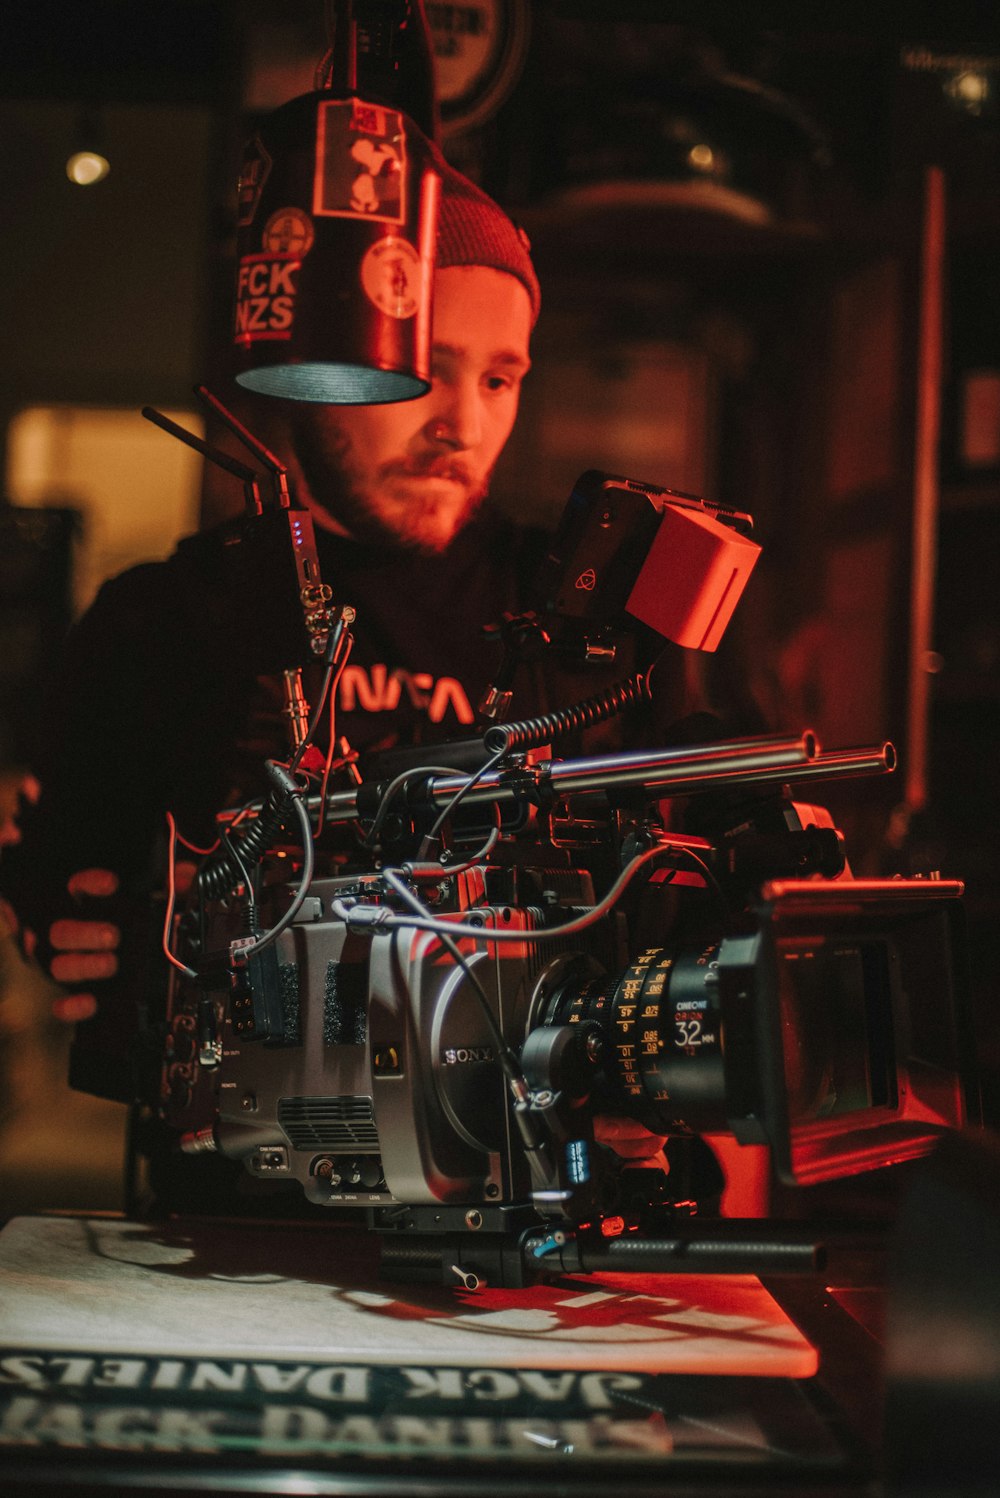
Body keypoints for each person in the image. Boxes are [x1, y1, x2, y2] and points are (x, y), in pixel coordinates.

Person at [1, 155, 696, 1191]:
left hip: (547, 1216)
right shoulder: (161, 621)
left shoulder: (603, 634)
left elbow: (721, 891)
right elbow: (68, 883)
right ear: (315, 361)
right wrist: (67, 919)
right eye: (420, 368)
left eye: (499, 378)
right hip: (239, 1220)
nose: (462, 424)